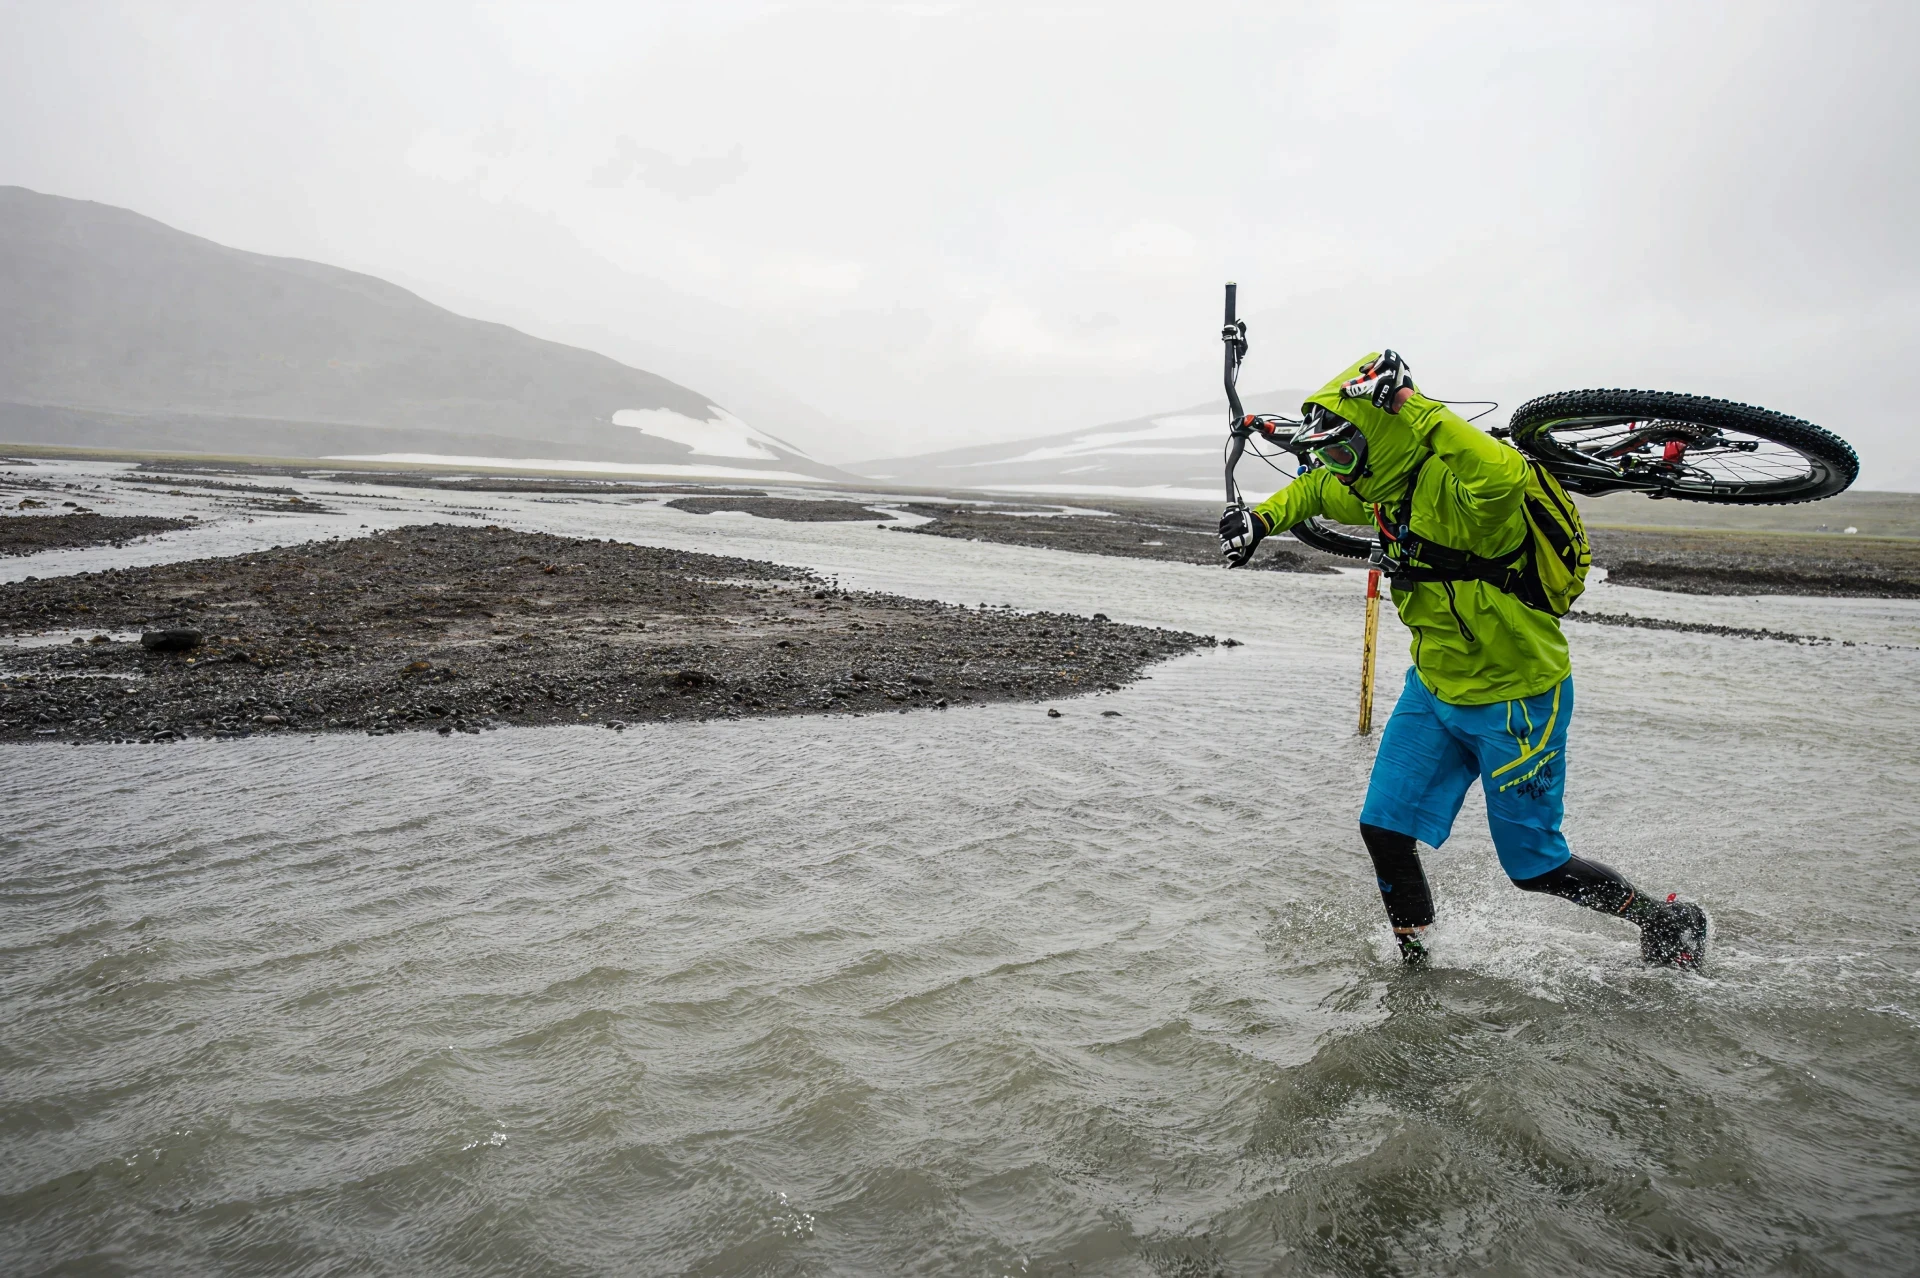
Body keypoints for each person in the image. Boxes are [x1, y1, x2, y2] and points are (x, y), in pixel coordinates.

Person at [1218, 352, 1708, 968]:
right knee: (1384, 828)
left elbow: (1502, 474)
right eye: (1335, 456)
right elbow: (1313, 489)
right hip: (1433, 692)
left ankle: (1664, 921)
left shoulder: (1470, 490)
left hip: (1518, 698)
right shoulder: (1377, 488)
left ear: (1386, 438)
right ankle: (1417, 967)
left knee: (1535, 869)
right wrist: (1260, 519)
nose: (1338, 470)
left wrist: (1404, 402)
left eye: (1346, 453)